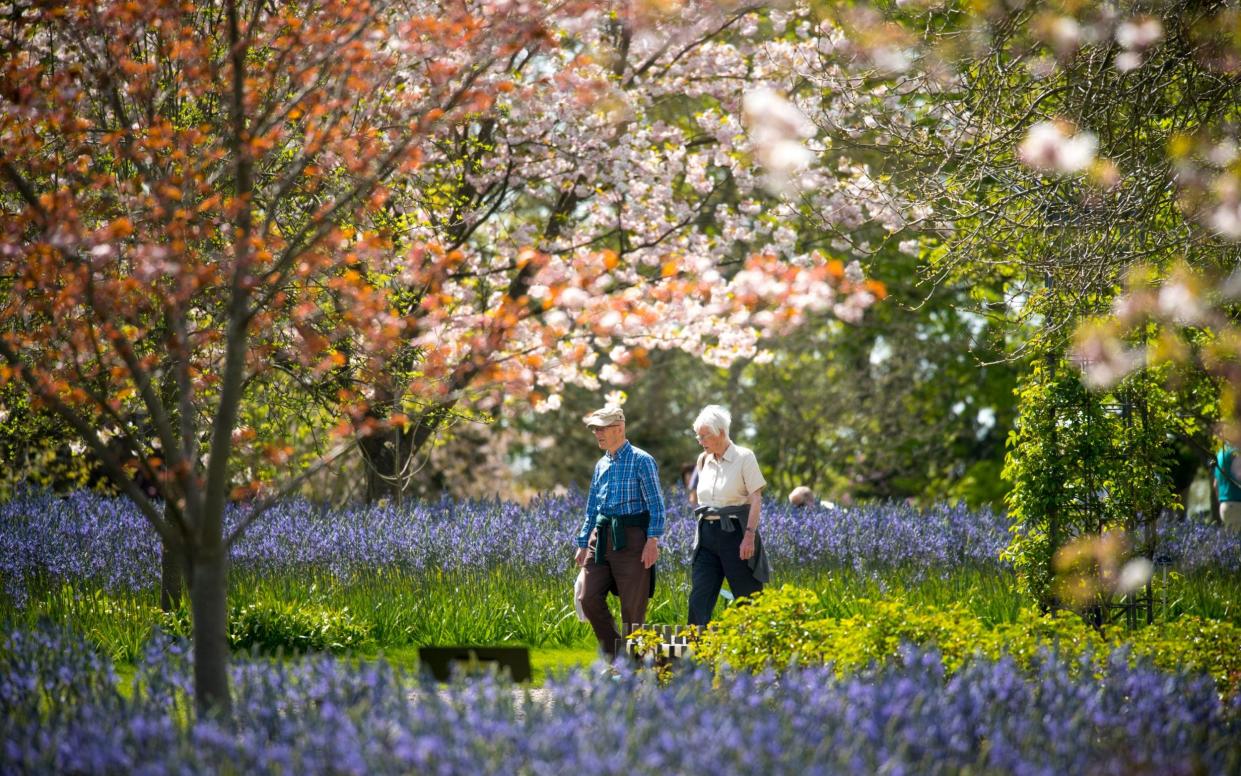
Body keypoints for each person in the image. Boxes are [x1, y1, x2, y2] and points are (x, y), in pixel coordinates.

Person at [575, 405, 666, 659]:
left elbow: (656, 504)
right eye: (594, 429)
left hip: (633, 539)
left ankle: (634, 668)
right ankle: (617, 656)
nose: (597, 434)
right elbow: (592, 507)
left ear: (619, 428)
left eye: (602, 428)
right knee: (588, 597)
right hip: (601, 537)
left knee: (632, 609)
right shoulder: (600, 464)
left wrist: (652, 540)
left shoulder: (642, 460)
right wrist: (583, 542)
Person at [687, 404, 771, 627]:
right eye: (698, 435)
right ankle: (692, 656)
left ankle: (758, 653)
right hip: (706, 535)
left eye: (704, 435)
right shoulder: (703, 460)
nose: (700, 440)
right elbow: (699, 497)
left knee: (748, 599)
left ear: (721, 433)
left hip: (735, 533)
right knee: (699, 598)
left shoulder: (745, 457)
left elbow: (755, 498)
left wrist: (749, 536)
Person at [1216, 442, 1241, 533]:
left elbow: (1215, 484)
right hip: (1238, 504)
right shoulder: (1237, 453)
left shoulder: (1220, 453)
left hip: (1225, 505)